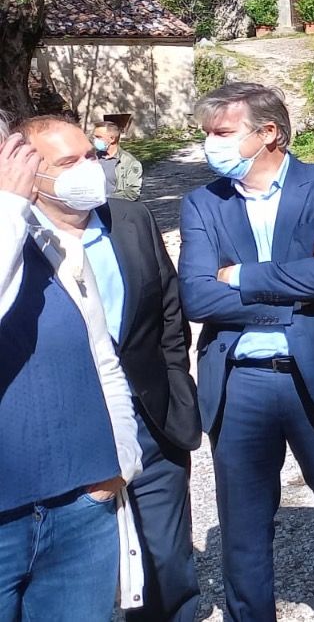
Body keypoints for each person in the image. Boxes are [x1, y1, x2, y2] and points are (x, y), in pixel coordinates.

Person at [178, 83, 314, 622]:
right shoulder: (203, 203)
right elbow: (198, 296)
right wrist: (299, 290)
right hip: (241, 382)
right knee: (243, 525)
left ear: (268, 132)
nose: (211, 145)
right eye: (207, 134)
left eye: (222, 133)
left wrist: (241, 277)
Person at [21, 117, 203, 622]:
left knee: (167, 562)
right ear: (32, 175)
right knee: (86, 579)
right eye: (67, 163)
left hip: (152, 422)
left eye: (89, 155)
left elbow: (169, 309)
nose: (89, 169)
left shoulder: (130, 219)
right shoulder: (17, 244)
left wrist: (174, 380)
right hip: (68, 439)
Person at [0, 113, 144, 620]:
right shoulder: (12, 222)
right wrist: (11, 208)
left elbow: (102, 360)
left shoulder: (49, 244)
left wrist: (119, 464)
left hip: (79, 509)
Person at [94, 121, 144, 201]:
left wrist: (105, 199)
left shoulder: (129, 162)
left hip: (116, 209)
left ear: (112, 139)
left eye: (98, 137)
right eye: (95, 137)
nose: (95, 140)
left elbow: (132, 193)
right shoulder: (93, 159)